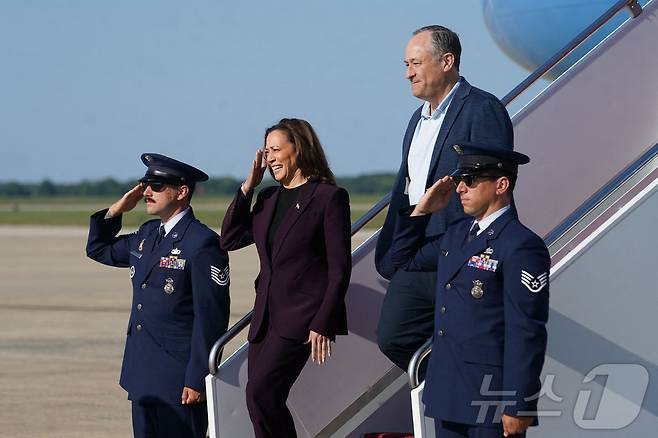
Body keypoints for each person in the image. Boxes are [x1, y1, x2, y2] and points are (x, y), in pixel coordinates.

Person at [375, 24, 514, 372]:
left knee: (470, 338)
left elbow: (493, 185)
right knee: (393, 336)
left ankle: (459, 389)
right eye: (406, 65)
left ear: (447, 61)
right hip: (417, 251)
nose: (408, 74)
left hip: (462, 249)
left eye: (415, 64)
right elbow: (407, 187)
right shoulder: (416, 121)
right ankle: (450, 378)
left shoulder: (482, 109)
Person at [391, 143, 550, 438]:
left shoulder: (520, 244)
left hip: (489, 398)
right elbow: (401, 260)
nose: (461, 188)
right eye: (460, 180)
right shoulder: (456, 235)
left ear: (501, 184)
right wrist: (423, 210)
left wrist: (520, 405)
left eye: (472, 180)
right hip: (448, 393)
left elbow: (526, 331)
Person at [220, 118, 352, 438]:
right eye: (267, 153)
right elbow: (230, 238)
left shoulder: (327, 197)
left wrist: (323, 321)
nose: (271, 158)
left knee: (260, 394)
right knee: (261, 400)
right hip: (265, 318)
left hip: (302, 317)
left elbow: (339, 268)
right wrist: (247, 187)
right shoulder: (267, 199)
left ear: (299, 148)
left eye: (277, 150)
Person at [86, 153, 230, 438]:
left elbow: (211, 317)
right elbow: (98, 249)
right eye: (145, 184)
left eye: (157, 186)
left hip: (178, 378)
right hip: (141, 374)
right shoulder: (147, 234)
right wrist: (118, 209)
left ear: (182, 191)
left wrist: (198, 377)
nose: (147, 192)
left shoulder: (202, 243)